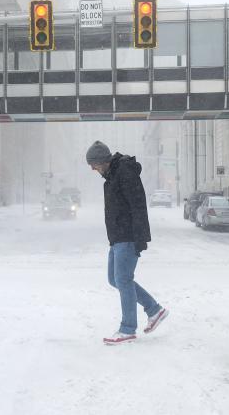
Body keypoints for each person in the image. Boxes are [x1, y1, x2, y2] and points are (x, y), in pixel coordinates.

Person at [86, 140, 168, 345]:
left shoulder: (124, 172)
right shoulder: (112, 176)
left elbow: (138, 205)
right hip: (117, 238)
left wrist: (140, 238)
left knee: (123, 279)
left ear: (102, 161)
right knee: (115, 280)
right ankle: (154, 310)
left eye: (93, 164)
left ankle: (127, 329)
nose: (92, 168)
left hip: (128, 236)